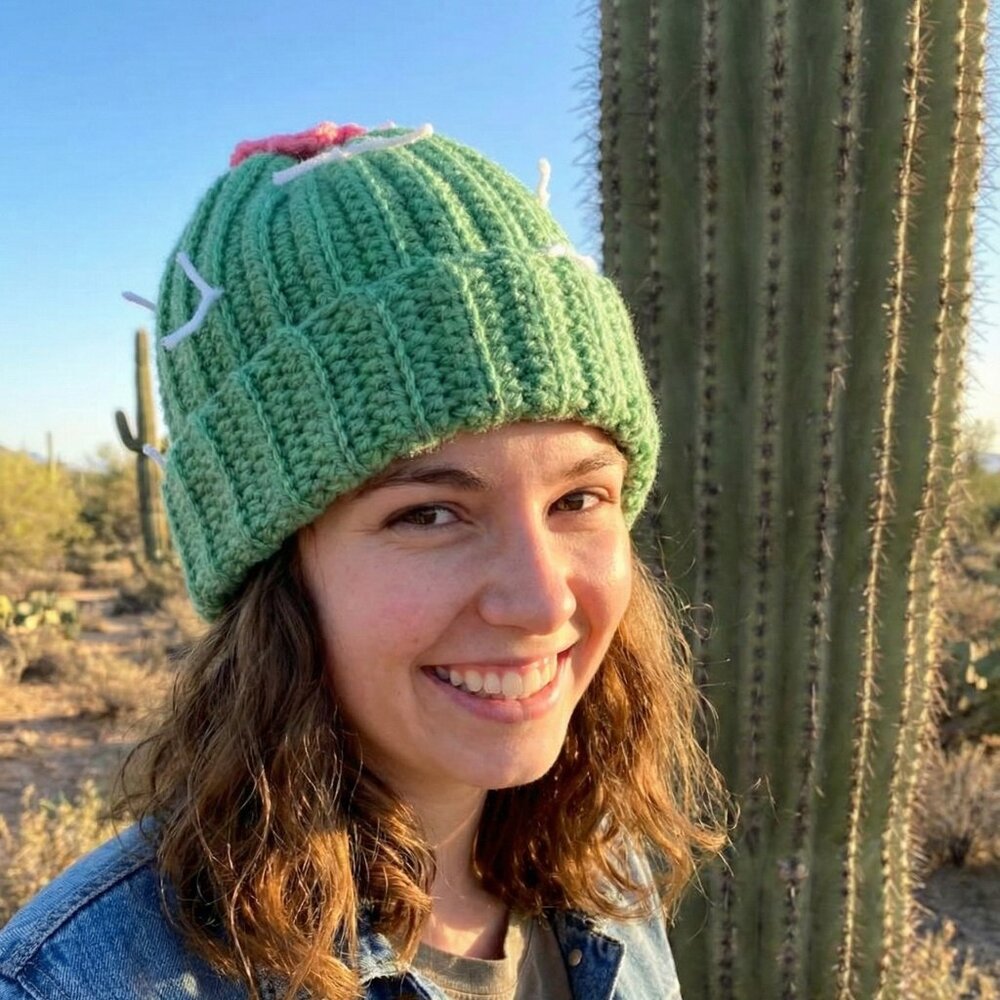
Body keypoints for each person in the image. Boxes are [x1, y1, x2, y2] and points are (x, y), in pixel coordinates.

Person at [0, 121, 727, 999]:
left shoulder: (603, 873)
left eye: (578, 500)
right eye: (429, 513)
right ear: (275, 570)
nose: (540, 601)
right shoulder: (77, 983)